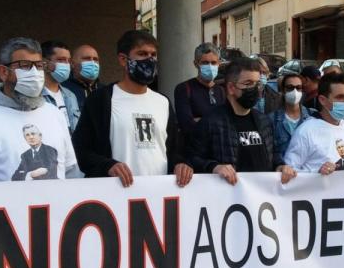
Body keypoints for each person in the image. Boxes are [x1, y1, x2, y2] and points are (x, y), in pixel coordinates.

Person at [72, 30, 193, 188]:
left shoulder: (163, 102)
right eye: (142, 54)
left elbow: (174, 150)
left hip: (159, 193)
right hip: (116, 195)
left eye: (153, 54)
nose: (149, 60)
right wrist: (107, 166)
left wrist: (180, 164)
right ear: (123, 60)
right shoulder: (100, 100)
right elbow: (81, 150)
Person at [0, 38, 79, 182]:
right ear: (3, 72)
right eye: (25, 66)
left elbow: (71, 173)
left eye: (39, 66)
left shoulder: (55, 114)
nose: (34, 73)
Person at [187, 57, 297, 185]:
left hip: (262, 200)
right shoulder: (211, 122)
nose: (255, 89)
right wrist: (214, 167)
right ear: (231, 88)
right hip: (228, 198)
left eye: (257, 84)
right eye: (248, 83)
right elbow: (192, 159)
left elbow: (274, 156)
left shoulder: (264, 121)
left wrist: (281, 167)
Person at [284, 72, 344, 174]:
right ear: (323, 100)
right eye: (340, 97)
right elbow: (289, 172)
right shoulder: (306, 131)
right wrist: (317, 173)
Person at [174, 43, 227, 137]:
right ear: (196, 64)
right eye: (205, 63)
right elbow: (186, 126)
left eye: (213, 63)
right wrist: (217, 122)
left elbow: (227, 123)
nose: (210, 66)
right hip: (194, 149)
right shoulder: (184, 89)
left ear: (219, 63)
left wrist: (200, 120)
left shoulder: (221, 91)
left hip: (217, 149)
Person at [40, 40, 82, 132]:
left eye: (68, 61)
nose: (66, 65)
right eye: (61, 60)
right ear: (44, 63)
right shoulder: (35, 96)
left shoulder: (70, 95)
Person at [271, 72, 312, 158]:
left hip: (307, 170)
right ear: (283, 90)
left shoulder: (312, 116)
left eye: (298, 87)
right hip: (283, 169)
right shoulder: (271, 119)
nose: (295, 91)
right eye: (290, 88)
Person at [62, 44, 101, 110]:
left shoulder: (105, 91)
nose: (92, 63)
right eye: (87, 59)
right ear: (72, 64)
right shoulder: (63, 89)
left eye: (95, 59)